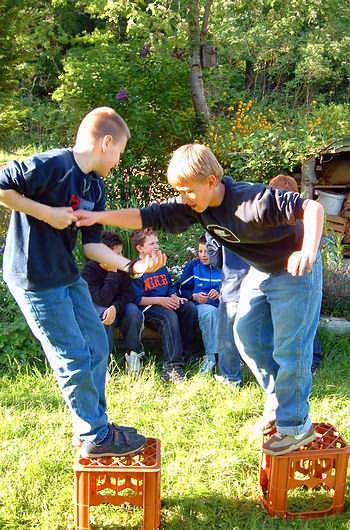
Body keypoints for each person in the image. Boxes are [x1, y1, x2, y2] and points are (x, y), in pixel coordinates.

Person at [75, 143, 324, 456]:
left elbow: (313, 209)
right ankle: (280, 403)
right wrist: (96, 215)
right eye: (179, 191)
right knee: (246, 337)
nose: (183, 198)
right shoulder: (194, 205)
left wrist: (308, 252)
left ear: (210, 181)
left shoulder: (252, 200)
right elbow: (142, 216)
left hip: (295, 268)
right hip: (262, 271)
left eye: (187, 191)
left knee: (291, 347)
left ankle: (295, 425)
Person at [0, 106, 166, 458]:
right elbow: (2, 187)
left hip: (66, 274)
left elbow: (92, 247)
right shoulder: (52, 165)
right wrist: (46, 213)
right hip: (33, 277)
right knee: (72, 355)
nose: (119, 162)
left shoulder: (95, 186)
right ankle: (95, 433)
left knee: (96, 343)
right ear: (106, 142)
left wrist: (132, 266)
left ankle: (96, 425)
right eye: (119, 152)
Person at [268, 174, 324, 374]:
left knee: (305, 322)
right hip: (282, 279)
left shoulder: (303, 219)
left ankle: (312, 362)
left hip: (303, 278)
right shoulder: (274, 216)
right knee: (297, 325)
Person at [130, 228, 199, 383]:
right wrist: (161, 300)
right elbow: (136, 299)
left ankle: (190, 354)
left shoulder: (159, 264)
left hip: (165, 301)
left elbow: (169, 287)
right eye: (151, 243)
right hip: (148, 308)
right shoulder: (136, 269)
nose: (156, 246)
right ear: (139, 248)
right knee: (169, 316)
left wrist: (174, 297)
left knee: (188, 308)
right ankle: (172, 367)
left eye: (157, 242)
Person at [82, 230, 144, 374]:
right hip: (98, 311)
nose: (121, 258)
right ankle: (104, 363)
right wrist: (112, 273)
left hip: (119, 309)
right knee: (105, 314)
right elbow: (101, 299)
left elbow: (128, 295)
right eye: (117, 255)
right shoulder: (89, 271)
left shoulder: (123, 268)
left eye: (121, 253)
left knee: (133, 311)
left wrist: (115, 307)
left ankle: (133, 354)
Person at [205, 235, 249, 386]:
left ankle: (231, 378)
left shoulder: (219, 220)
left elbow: (214, 258)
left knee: (227, 335)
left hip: (234, 282)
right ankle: (273, 378)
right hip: (263, 280)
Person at [178, 234, 222, 374]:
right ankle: (210, 357)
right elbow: (179, 288)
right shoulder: (194, 266)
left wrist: (221, 294)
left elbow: (235, 286)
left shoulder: (223, 266)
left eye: (208, 251)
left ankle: (232, 356)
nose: (203, 255)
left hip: (222, 304)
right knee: (209, 313)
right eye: (200, 251)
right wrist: (194, 296)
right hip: (201, 306)